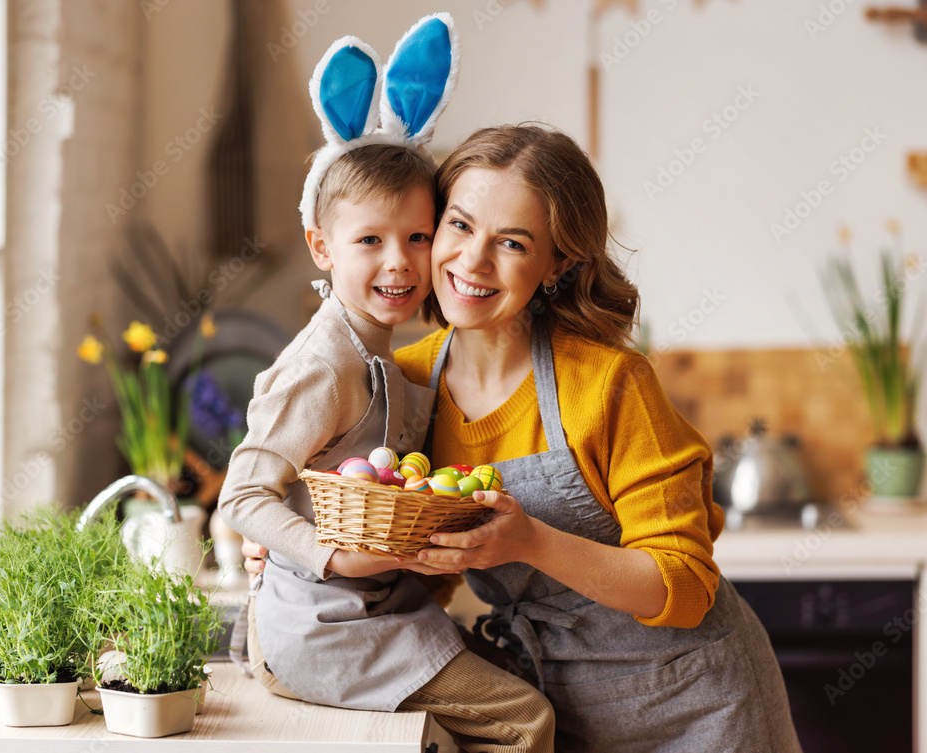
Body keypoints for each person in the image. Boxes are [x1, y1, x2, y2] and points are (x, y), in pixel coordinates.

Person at [247, 123, 802, 751]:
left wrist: (529, 541)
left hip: (695, 708)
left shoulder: (610, 385)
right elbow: (408, 544)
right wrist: (299, 553)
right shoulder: (405, 384)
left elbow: (685, 588)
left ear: (557, 263)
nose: (474, 261)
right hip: (551, 707)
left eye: (512, 242)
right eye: (459, 226)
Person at [218, 18, 555, 753]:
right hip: (323, 630)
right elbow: (242, 493)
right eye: (369, 240)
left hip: (375, 613)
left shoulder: (391, 356)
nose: (398, 262)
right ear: (322, 246)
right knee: (527, 719)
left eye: (418, 235)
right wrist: (328, 553)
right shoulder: (326, 362)